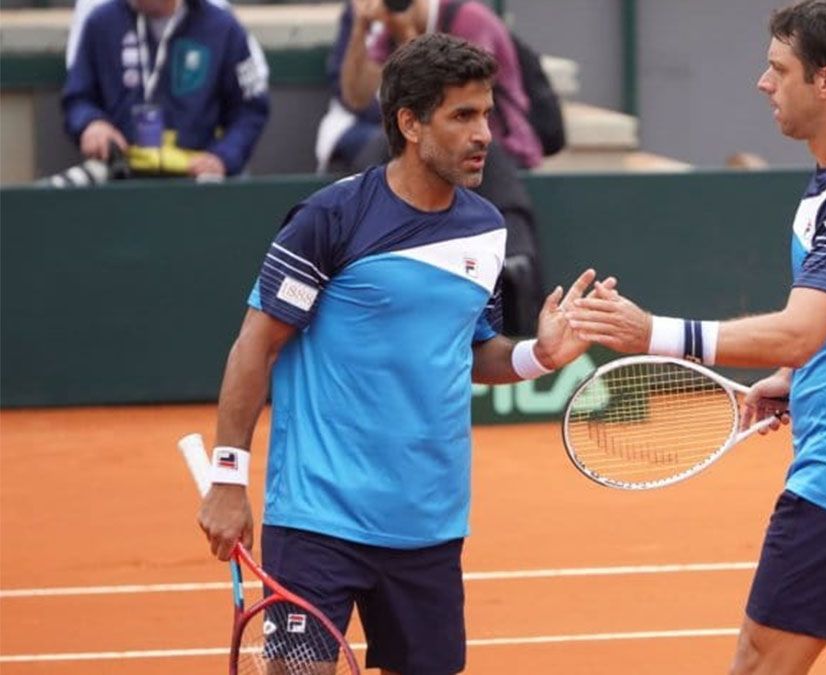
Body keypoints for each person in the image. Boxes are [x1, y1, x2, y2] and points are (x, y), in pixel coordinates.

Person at [566, 2, 826, 673]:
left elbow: (800, 330)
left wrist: (651, 332)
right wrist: (796, 380)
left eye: (779, 69)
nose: (763, 82)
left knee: (758, 661)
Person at [197, 34, 607, 674]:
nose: (484, 134)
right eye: (462, 116)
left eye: (487, 114)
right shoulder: (330, 218)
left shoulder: (486, 228)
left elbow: (474, 351)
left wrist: (539, 356)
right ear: (410, 123)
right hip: (319, 516)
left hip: (429, 525)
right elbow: (257, 344)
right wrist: (228, 477)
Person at [330, 0, 547, 336]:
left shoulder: (470, 18)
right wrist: (361, 30)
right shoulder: (387, 24)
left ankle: (514, 286)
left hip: (507, 149)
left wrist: (407, 36)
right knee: (374, 148)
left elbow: (454, 96)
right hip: (433, 146)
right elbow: (357, 97)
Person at [59, 0, 269, 182]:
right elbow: (78, 98)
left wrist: (222, 157)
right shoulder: (102, 22)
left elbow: (250, 109)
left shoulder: (222, 27)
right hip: (120, 175)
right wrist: (91, 124)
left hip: (198, 179)